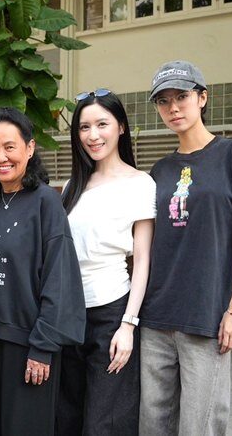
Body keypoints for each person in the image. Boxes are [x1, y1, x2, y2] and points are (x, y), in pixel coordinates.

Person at [139, 60, 232, 435]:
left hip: (206, 316)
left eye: (181, 97)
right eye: (163, 101)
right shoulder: (159, 171)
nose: (173, 108)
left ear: (202, 98)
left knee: (201, 425)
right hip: (156, 316)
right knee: (152, 424)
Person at [0, 107, 86, 435]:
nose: (1, 157)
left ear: (30, 148)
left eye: (10, 147)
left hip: (26, 345)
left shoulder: (46, 202)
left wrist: (43, 347)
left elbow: (59, 278)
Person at [55, 89, 155, 435]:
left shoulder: (141, 184)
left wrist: (128, 325)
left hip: (111, 313)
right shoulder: (72, 186)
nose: (92, 135)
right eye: (84, 127)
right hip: (68, 315)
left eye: (102, 124)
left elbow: (142, 260)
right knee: (66, 418)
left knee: (104, 423)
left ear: (121, 127)